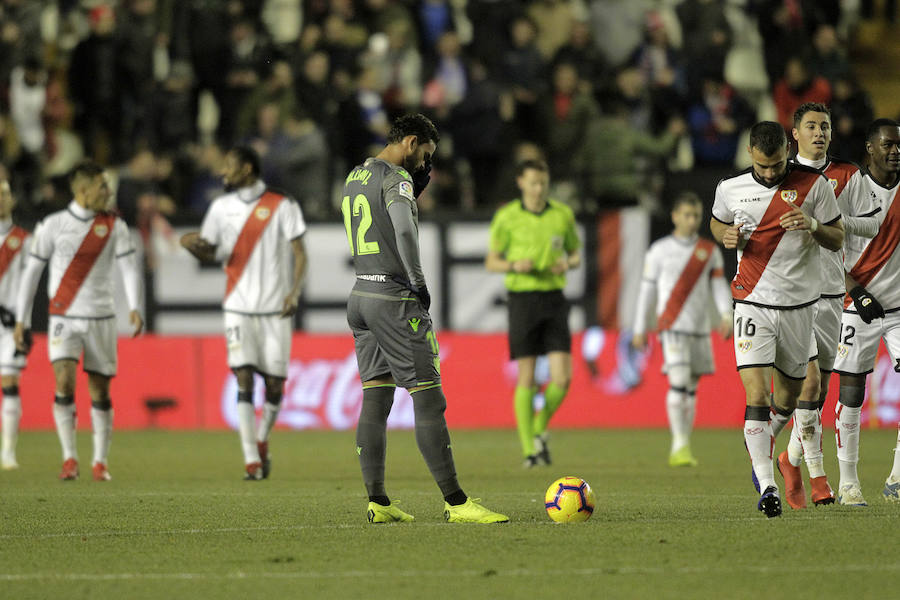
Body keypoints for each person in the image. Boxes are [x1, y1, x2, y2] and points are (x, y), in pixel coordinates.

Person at [342, 113, 508, 524]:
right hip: (394, 300)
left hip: (361, 293)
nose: (425, 165)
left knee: (376, 398)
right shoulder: (396, 180)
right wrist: (418, 282)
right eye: (425, 154)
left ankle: (377, 503)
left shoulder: (355, 175)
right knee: (429, 398)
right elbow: (403, 231)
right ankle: (457, 503)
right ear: (411, 141)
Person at [710, 121, 844, 517]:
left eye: (777, 165)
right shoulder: (729, 188)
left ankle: (763, 449)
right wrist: (725, 235)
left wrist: (813, 224)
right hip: (751, 303)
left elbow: (837, 238)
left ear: (788, 149)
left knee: (789, 397)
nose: (770, 173)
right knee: (757, 395)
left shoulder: (814, 186)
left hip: (801, 308)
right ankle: (767, 485)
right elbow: (717, 220)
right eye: (764, 166)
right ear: (751, 152)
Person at [775, 103, 881, 509]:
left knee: (815, 395)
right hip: (793, 292)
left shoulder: (848, 174)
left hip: (833, 291)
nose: (820, 132)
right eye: (812, 126)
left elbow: (872, 224)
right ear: (795, 134)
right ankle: (820, 480)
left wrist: (829, 218)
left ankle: (790, 458)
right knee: (812, 384)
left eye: (825, 126)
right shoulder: (781, 176)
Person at [181, 146, 307, 481]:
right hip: (237, 306)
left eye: (228, 166)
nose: (222, 173)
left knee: (276, 386)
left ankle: (262, 437)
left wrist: (294, 292)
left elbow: (300, 253)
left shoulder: (283, 205)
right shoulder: (220, 208)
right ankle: (251, 458)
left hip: (276, 308)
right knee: (244, 377)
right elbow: (210, 253)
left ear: (248, 169)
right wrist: (192, 246)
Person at [14, 161, 144, 481]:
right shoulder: (53, 225)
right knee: (64, 382)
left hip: (101, 316)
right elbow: (31, 273)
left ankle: (100, 461)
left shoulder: (115, 226)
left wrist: (136, 306)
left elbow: (129, 267)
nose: (109, 191)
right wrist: (22, 319)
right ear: (84, 191)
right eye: (103, 186)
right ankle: (69, 458)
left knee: (99, 390)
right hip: (64, 316)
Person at [485, 158, 581, 468]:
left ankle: (539, 428)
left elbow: (576, 253)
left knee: (562, 378)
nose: (539, 189)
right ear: (521, 183)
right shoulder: (507, 216)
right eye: (533, 183)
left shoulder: (562, 215)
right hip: (523, 299)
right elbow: (492, 261)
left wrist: (567, 263)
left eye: (543, 183)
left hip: (553, 297)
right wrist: (514, 265)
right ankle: (530, 450)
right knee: (526, 375)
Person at [632, 192, 733, 468]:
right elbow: (646, 290)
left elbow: (717, 285)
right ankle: (678, 444)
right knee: (678, 382)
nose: (692, 220)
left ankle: (684, 443)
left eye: (696, 216)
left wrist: (727, 313)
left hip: (699, 328)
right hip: (671, 326)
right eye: (686, 215)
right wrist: (639, 328)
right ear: (675, 216)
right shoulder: (660, 250)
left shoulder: (708, 251)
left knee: (690, 387)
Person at [831, 119, 900, 506]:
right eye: (889, 145)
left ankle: (897, 477)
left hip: (899, 307)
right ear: (871, 149)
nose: (896, 151)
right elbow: (826, 250)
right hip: (857, 306)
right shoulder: (850, 189)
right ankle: (849, 482)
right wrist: (856, 292)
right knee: (852, 392)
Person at [0, 173, 30, 469]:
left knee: (8, 383)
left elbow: (28, 285)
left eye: (5, 193)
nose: (1, 198)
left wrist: (23, 320)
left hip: (10, 327)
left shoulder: (23, 241)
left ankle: (8, 452)